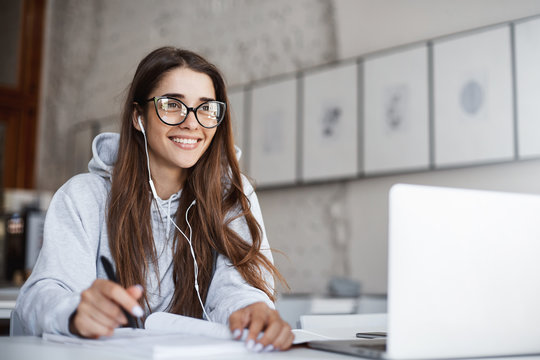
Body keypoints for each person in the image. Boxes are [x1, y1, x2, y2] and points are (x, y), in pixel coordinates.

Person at [14, 47, 294, 352]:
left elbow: (235, 289)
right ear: (138, 117)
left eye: (206, 108)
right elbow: (40, 297)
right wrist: (74, 310)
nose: (192, 123)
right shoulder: (84, 196)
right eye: (172, 104)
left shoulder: (232, 194)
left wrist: (251, 309)